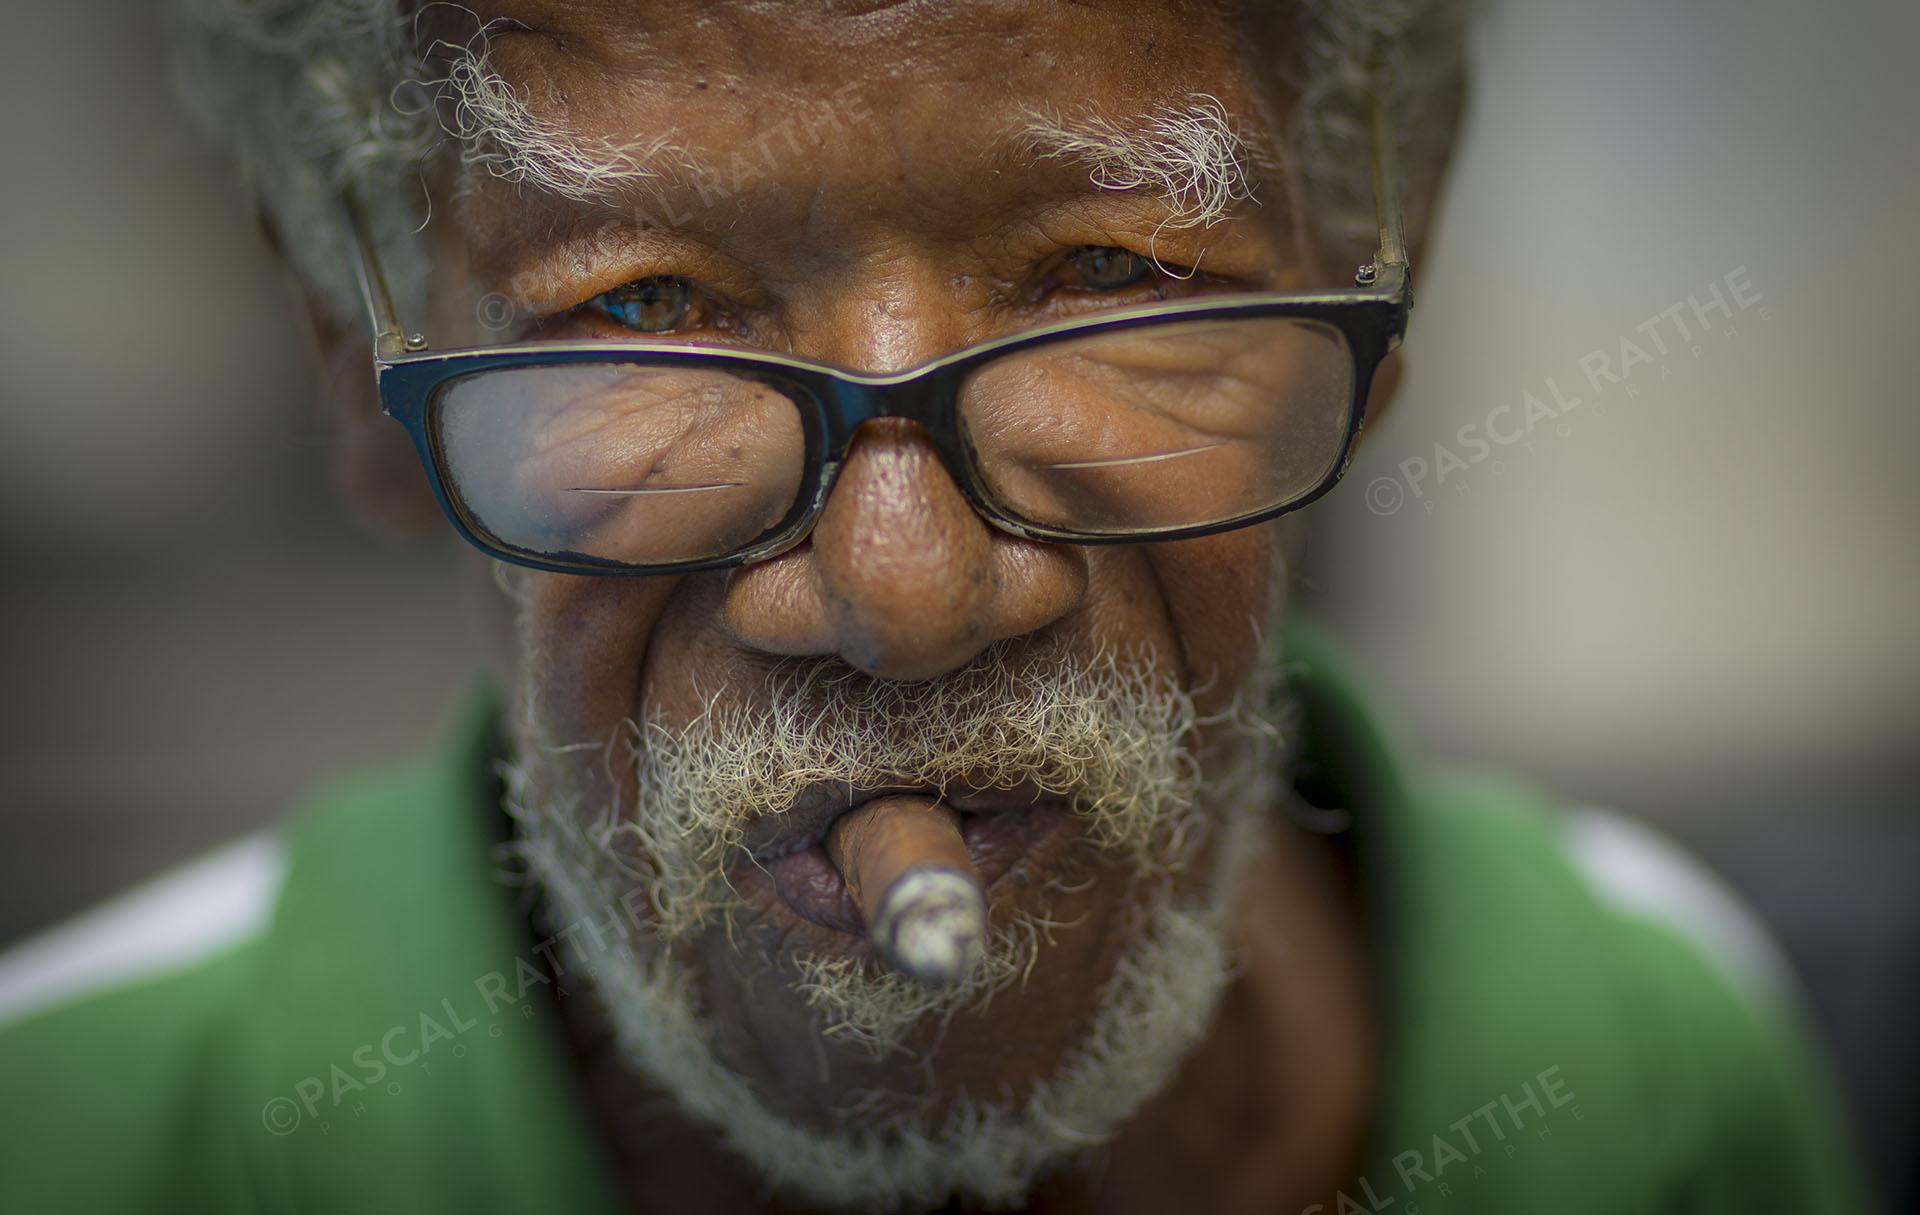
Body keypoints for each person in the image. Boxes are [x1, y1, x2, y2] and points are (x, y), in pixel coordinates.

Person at [0, 2, 1874, 1211]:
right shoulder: (77, 1136)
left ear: (1388, 254)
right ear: (350, 346)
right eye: (644, 305)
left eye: (1110, 275)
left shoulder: (1647, 1064)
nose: (904, 598)